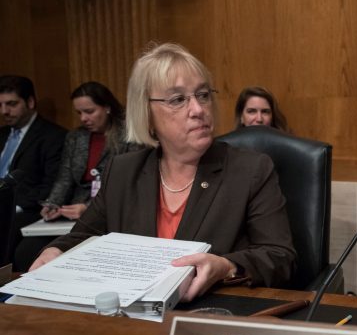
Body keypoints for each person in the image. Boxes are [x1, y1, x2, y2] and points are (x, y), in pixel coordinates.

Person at [30, 43, 297, 301]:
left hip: (207, 318)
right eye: (178, 99)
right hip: (132, 321)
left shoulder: (250, 169)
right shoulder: (123, 171)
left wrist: (227, 266)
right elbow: (82, 237)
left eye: (203, 95)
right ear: (147, 114)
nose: (198, 109)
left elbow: (280, 257)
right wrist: (57, 250)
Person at [13, 82, 135, 271]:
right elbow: (65, 178)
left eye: (89, 111)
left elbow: (128, 184)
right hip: (71, 213)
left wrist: (88, 208)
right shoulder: (75, 137)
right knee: (26, 250)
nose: (84, 118)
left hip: (108, 210)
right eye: (79, 113)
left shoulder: (129, 135)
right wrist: (52, 204)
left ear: (108, 107)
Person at [0, 75, 67, 264]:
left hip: (25, 209)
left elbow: (51, 185)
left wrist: (11, 205)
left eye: (11, 104)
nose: (4, 111)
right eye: (1, 105)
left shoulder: (53, 136)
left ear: (30, 102)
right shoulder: (1, 135)